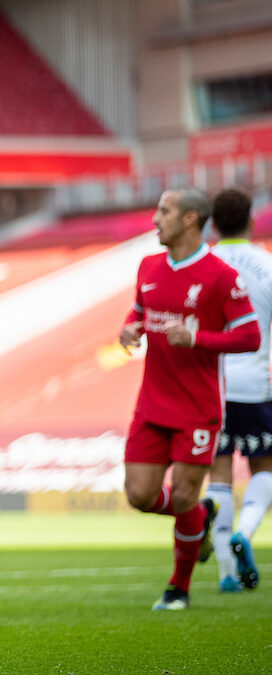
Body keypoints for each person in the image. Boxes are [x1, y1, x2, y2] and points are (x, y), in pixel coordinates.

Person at [118, 188, 260, 610]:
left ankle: (178, 589)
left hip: (198, 408)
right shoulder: (148, 266)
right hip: (153, 403)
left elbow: (250, 336)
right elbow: (138, 311)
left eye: (164, 211)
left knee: (181, 496)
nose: (155, 219)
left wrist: (197, 338)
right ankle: (201, 517)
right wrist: (129, 328)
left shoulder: (220, 276)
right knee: (139, 496)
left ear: (190, 220)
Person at [205, 187, 272, 592]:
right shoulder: (266, 264)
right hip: (256, 384)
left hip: (212, 385)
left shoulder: (205, 265)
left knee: (219, 473)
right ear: (251, 220)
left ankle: (227, 573)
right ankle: (244, 533)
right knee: (265, 466)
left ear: (213, 223)